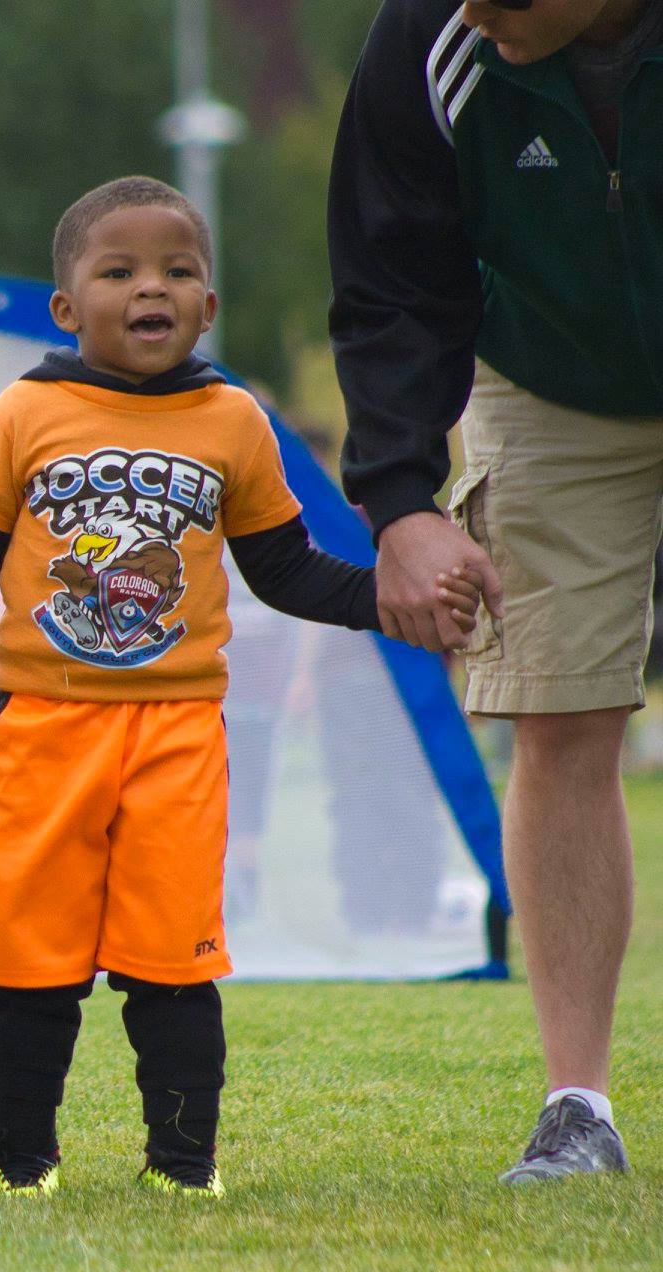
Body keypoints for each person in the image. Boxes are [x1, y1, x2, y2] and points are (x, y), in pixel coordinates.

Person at [0, 177, 471, 1199]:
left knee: (174, 959)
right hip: (41, 729)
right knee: (31, 962)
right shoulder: (25, 411)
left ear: (208, 305)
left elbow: (282, 570)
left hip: (180, 731)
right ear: (67, 307)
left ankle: (183, 1165)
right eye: (121, 271)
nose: (154, 288)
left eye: (178, 272)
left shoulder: (232, 418)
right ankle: (20, 1165)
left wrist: (385, 602)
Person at [328, 0, 663, 1182]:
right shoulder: (432, 34)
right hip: (546, 375)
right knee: (559, 714)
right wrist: (402, 501)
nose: (476, 9)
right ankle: (579, 1111)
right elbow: (389, 280)